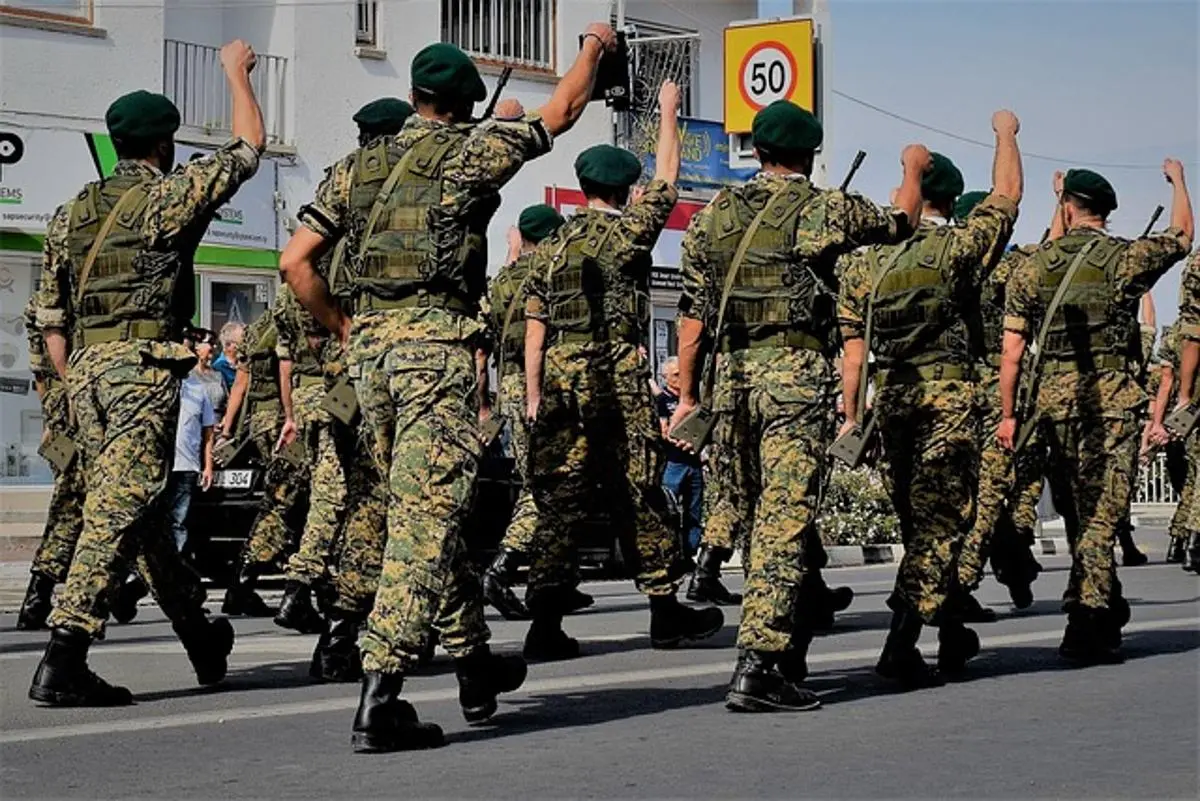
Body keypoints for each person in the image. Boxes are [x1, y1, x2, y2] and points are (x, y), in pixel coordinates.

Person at [280, 31, 616, 752]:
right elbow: (562, 109)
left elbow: (296, 262)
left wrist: (344, 324)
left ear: (412, 101)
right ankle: (382, 692)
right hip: (434, 352)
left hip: (369, 355)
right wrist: (592, 43)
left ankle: (472, 663)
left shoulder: (355, 169)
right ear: (464, 106)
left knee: (425, 504)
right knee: (423, 516)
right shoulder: (471, 151)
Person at [27, 40, 265, 706]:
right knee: (117, 509)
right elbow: (249, 147)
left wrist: (74, 384)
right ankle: (63, 653)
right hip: (138, 371)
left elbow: (51, 319)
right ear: (162, 147)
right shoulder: (167, 197)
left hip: (85, 374)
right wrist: (235, 74)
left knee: (148, 516)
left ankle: (199, 635)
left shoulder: (70, 212)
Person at [670, 99, 927, 712]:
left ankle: (787, 638)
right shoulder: (821, 207)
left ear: (756, 151)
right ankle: (759, 666)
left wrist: (685, 395)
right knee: (785, 518)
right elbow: (901, 224)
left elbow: (690, 318)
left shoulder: (711, 218)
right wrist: (913, 169)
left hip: (728, 381)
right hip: (794, 376)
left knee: (756, 517)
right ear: (809, 155)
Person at [523, 83, 724, 664]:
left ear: (585, 187)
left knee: (560, 502)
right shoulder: (627, 233)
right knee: (638, 491)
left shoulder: (553, 248)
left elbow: (534, 327)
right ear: (624, 190)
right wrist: (665, 111)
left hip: (559, 381)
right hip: (614, 376)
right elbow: (667, 176)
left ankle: (545, 624)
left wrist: (535, 394)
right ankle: (665, 612)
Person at [840, 112, 1023, 688]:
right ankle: (901, 645)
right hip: (947, 401)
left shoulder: (866, 262)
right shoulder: (959, 249)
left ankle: (949, 631)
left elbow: (852, 348)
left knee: (916, 520)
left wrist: (852, 416)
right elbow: (1008, 195)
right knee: (938, 525)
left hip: (889, 399)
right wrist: (1005, 134)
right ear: (950, 198)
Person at [997, 161, 1193, 665]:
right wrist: (1178, 182)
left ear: (1066, 207)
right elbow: (1182, 236)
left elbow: (1013, 349)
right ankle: (1085, 621)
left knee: (1080, 514)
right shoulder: (1123, 258)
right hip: (1109, 406)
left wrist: (1009, 415)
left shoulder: (1032, 266)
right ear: (1106, 212)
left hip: (1051, 411)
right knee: (1101, 517)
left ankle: (1099, 603)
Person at [274, 97, 416, 637]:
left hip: (333, 376)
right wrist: (343, 328)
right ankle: (326, 605)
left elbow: (292, 289)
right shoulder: (384, 208)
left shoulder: (339, 196)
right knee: (366, 492)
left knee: (349, 489)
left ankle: (320, 596)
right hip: (362, 369)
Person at [481, 203, 595, 625]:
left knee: (549, 481)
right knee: (546, 487)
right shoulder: (549, 273)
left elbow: (482, 346)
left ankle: (561, 581)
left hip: (508, 384)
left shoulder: (502, 281)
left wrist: (483, 404)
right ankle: (503, 569)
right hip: (539, 384)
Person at [15, 297, 84, 630]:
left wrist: (52, 416)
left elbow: (40, 373)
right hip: (84, 403)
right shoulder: (75, 297)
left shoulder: (38, 306)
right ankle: (39, 597)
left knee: (75, 502)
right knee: (78, 504)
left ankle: (38, 597)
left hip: (61, 408)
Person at [166, 355, 218, 553]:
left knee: (178, 521)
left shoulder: (198, 388)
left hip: (187, 465)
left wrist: (208, 467)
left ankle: (174, 563)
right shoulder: (161, 385)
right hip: (162, 464)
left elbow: (208, 432)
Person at [657, 357, 707, 558]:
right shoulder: (663, 400)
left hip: (693, 461)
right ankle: (668, 554)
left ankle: (690, 552)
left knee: (694, 511)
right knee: (668, 509)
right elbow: (664, 429)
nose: (681, 378)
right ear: (666, 377)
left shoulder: (693, 399)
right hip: (673, 461)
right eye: (676, 375)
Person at [213, 321, 244, 390]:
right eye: (242, 340)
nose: (246, 343)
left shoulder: (242, 363)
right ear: (228, 344)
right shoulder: (218, 368)